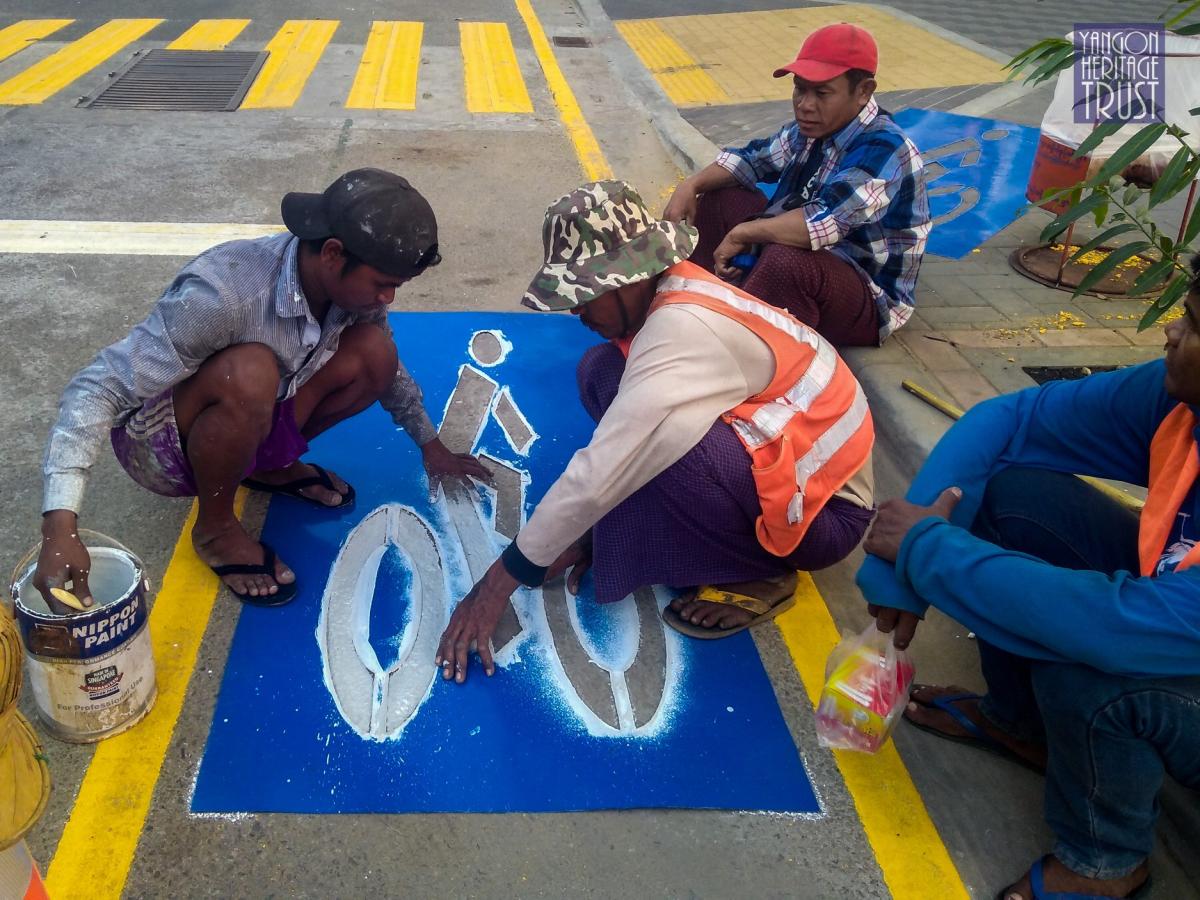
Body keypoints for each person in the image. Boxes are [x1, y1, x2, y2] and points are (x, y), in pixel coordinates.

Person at [435, 180, 876, 683]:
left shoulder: (682, 330)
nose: (576, 311)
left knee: (675, 452)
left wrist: (495, 587)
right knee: (603, 371)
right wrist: (588, 532)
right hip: (785, 454)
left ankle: (763, 572)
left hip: (826, 515)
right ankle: (663, 532)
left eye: (585, 296)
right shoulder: (671, 289)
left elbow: (606, 467)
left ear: (627, 279)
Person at [857, 258, 1200, 900]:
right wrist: (904, 566)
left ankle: (1107, 863)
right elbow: (1009, 421)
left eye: (1195, 325)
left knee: (1088, 668)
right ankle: (1022, 725)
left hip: (1161, 635)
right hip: (1173, 612)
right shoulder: (1177, 401)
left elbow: (1112, 628)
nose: (1171, 334)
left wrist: (927, 554)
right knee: (1005, 497)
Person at [36, 168, 488, 612]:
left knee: (376, 352)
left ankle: (267, 466)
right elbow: (96, 388)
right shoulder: (224, 293)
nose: (388, 297)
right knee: (249, 372)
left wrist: (430, 445)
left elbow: (389, 372)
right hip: (163, 447)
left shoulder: (351, 295)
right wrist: (60, 523)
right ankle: (215, 530)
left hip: (258, 408)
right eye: (382, 284)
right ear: (332, 253)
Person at [662, 22, 930, 347]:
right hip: (812, 257)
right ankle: (685, 307)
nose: (805, 104)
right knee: (721, 198)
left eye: (822, 93)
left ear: (863, 92)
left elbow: (822, 223)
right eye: (800, 88)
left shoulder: (886, 147)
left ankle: (726, 352)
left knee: (785, 262)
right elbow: (751, 160)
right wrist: (690, 185)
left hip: (866, 294)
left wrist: (742, 233)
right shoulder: (808, 130)